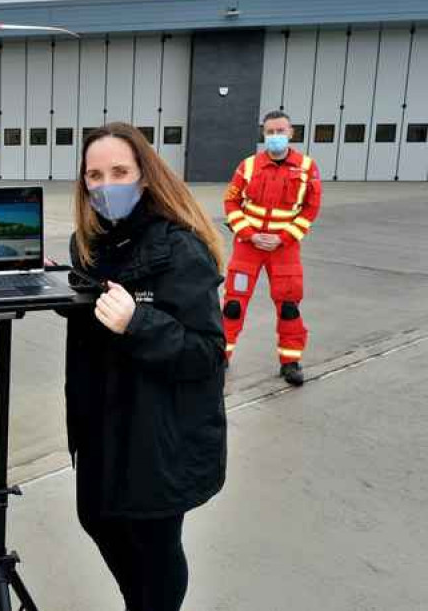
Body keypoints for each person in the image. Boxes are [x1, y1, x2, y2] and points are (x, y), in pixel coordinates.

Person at [61, 122, 227, 611]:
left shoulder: (181, 248)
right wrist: (66, 295)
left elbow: (206, 354)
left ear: (145, 176)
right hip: (98, 427)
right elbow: (97, 318)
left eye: (119, 171)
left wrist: (139, 322)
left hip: (157, 433)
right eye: (94, 174)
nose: (105, 184)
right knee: (97, 520)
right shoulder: (88, 246)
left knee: (153, 550)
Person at [222, 111, 322, 386]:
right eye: (270, 132)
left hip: (284, 249)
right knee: (233, 304)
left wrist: (284, 237)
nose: (275, 136)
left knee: (289, 306)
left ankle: (290, 361)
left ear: (291, 133)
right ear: (263, 135)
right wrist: (249, 234)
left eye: (280, 131)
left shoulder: (307, 167)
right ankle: (221, 355)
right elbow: (230, 202)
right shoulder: (249, 166)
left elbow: (311, 209)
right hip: (248, 246)